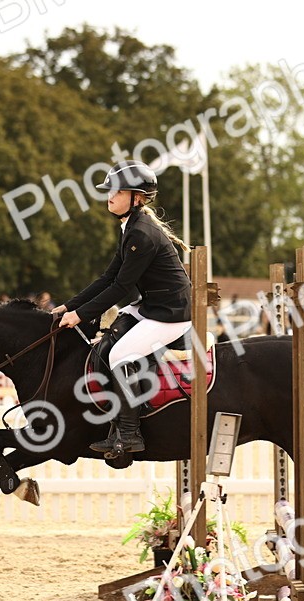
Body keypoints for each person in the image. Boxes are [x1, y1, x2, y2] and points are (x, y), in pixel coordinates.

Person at [53, 160, 192, 458]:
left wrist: (79, 315)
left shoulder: (141, 234)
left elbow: (120, 289)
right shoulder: (131, 227)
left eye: (117, 191)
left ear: (137, 198)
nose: (110, 196)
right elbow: (108, 277)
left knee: (119, 355)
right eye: (110, 190)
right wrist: (69, 305)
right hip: (152, 306)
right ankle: (115, 426)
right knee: (106, 344)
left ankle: (130, 435)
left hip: (171, 313)